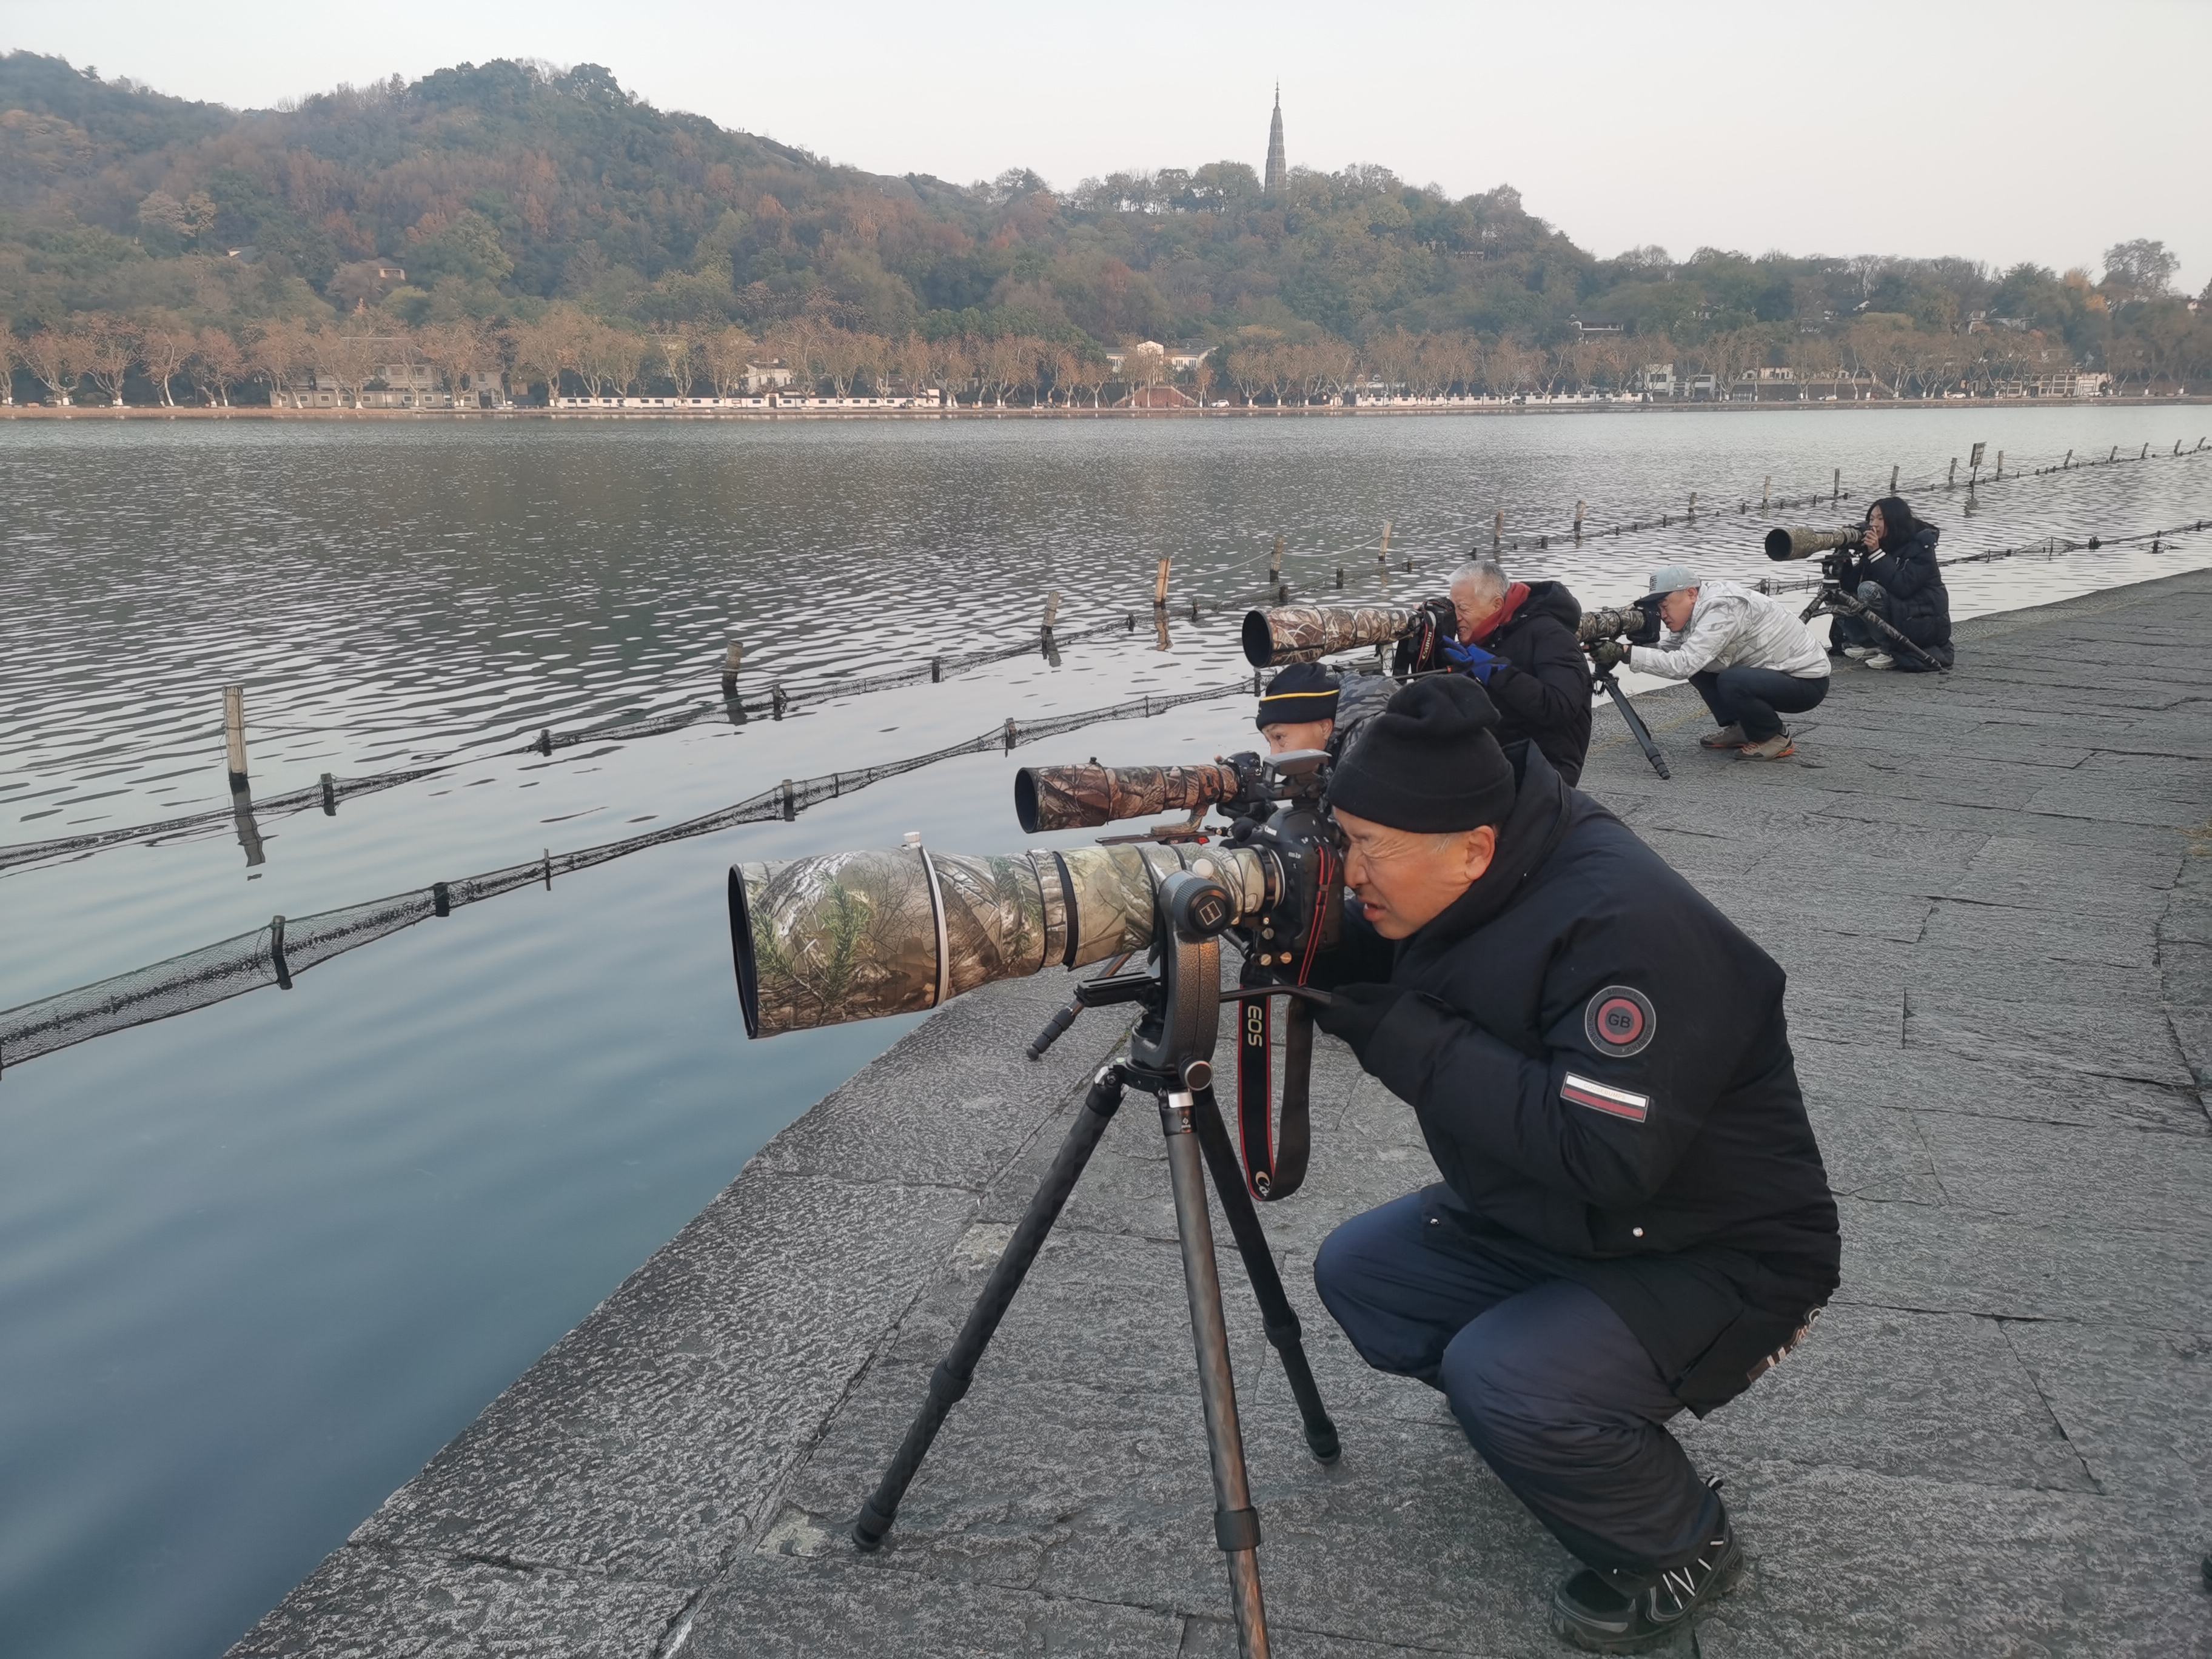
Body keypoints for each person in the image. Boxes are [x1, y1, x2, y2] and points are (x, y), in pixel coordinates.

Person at [1306, 675, 1840, 1655]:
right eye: (1342, 840)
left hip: (1722, 1253)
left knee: (1503, 1375)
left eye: (1366, 850)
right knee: (1362, 1274)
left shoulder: (1623, 929)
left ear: (1471, 849)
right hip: (1566, 1222)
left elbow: (1603, 1153)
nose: (1348, 873)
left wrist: (1404, 1040)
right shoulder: (1486, 862)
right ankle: (1548, 1424)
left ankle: (1680, 1542)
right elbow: (1413, 955)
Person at [1612, 564, 1829, 762]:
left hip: (1806, 683)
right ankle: (1742, 728)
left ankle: (1775, 737)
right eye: (1658, 608)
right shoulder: (1697, 609)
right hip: (1777, 676)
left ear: (1690, 593)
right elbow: (1677, 652)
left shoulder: (1722, 607)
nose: (1662, 614)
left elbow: (1682, 665)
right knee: (1701, 669)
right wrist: (1626, 648)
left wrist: (1627, 654)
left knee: (1730, 680)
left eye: (1664, 605)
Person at [1436, 560, 1595, 785]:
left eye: (1463, 608)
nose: (1457, 617)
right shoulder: (1488, 638)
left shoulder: (1551, 635)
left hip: (1547, 768)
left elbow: (1560, 707)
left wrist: (1495, 671)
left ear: (1496, 604)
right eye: (1453, 610)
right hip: (1496, 756)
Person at [1830, 496, 1953, 671]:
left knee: (1868, 591)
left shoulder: (1921, 547)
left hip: (1922, 621)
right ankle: (1868, 644)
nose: (1874, 524)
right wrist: (1844, 555)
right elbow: (1850, 586)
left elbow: (1903, 587)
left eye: (1881, 519)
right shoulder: (1883, 545)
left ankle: (1889, 649)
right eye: (1871, 519)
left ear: (1896, 521)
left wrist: (1876, 552)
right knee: (1834, 592)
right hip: (1900, 615)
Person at [1253, 660, 1395, 760]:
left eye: (1279, 737)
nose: (1273, 754)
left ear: (1324, 727)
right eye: (1269, 741)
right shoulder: (1327, 748)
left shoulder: (1367, 750)